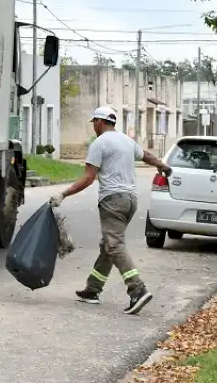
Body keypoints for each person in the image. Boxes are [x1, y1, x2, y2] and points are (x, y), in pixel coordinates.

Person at [49, 106, 172, 315]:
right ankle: (93, 289)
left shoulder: (99, 143)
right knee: (108, 244)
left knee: (114, 245)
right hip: (131, 201)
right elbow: (146, 155)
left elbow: (89, 178)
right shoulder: (126, 140)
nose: (93, 127)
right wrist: (162, 165)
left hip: (113, 201)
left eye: (94, 123)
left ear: (100, 121)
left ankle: (137, 289)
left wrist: (63, 194)